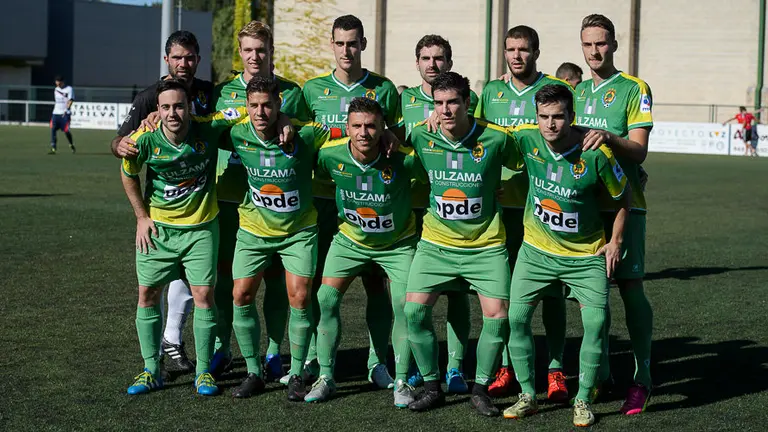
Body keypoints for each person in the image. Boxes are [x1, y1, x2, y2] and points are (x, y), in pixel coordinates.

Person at [502, 84, 629, 427]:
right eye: (544, 117)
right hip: (536, 253)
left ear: (572, 117)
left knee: (597, 322)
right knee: (515, 319)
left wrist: (615, 241)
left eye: (558, 116)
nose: (550, 124)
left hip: (585, 255)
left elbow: (622, 198)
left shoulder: (596, 153)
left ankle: (584, 399)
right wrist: (436, 119)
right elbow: (480, 134)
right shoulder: (527, 140)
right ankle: (528, 395)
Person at [404, 72, 520, 417]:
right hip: (436, 244)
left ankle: (480, 389)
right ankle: (431, 386)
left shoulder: (496, 139)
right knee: (413, 312)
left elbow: (529, 160)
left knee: (498, 318)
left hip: (486, 245)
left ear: (468, 102)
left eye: (453, 102)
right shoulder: (422, 136)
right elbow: (390, 148)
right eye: (439, 103)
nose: (445, 110)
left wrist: (508, 188)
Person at [120, 79, 245, 396]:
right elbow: (128, 172)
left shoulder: (208, 127)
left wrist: (280, 117)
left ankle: (203, 372)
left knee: (204, 296)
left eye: (178, 106)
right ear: (157, 110)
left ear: (189, 106)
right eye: (165, 107)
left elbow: (247, 111)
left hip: (201, 229)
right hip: (158, 231)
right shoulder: (145, 138)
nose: (172, 113)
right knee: (147, 294)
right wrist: (141, 217)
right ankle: (151, 369)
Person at [301, 14, 403, 388]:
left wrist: (391, 132)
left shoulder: (385, 89)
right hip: (322, 202)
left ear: (363, 44)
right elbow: (296, 140)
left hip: (372, 201)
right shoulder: (311, 90)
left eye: (353, 42)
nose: (346, 50)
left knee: (377, 284)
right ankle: (314, 355)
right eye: (340, 43)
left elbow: (396, 138)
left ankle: (378, 362)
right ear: (332, 45)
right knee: (318, 285)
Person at [208, 20, 311, 383]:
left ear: (272, 51)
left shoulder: (292, 93)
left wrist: (287, 119)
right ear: (240, 52)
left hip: (279, 202)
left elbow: (306, 131)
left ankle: (273, 350)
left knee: (278, 280)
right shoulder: (224, 92)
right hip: (230, 197)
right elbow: (211, 130)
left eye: (261, 50)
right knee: (228, 281)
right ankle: (223, 346)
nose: (255, 57)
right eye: (248, 50)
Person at [306, 97, 426, 406]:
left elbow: (439, 172)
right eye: (357, 125)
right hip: (350, 241)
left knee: (404, 305)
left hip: (397, 244)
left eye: (372, 125)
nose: (364, 132)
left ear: (383, 128)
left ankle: (400, 380)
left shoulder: (404, 158)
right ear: (346, 128)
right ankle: (326, 376)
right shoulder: (329, 155)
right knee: (326, 297)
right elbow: (296, 155)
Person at [476, 25, 573, 400]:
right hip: (497, 210)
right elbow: (477, 135)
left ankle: (555, 370)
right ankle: (505, 367)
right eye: (511, 49)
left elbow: (575, 132)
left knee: (551, 293)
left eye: (524, 49)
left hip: (541, 208)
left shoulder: (553, 91)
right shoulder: (491, 91)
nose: (517, 56)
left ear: (536, 52)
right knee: (502, 294)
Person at [111, 30, 214, 376]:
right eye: (177, 57)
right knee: (159, 286)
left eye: (190, 57)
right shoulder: (147, 97)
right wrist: (123, 145)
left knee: (207, 284)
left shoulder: (209, 93)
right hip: (164, 215)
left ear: (198, 60)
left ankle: (204, 351)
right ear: (166, 59)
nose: (183, 63)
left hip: (207, 204)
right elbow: (121, 143)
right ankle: (163, 349)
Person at [225, 76, 331, 400]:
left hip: (298, 231)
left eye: (268, 105)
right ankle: (254, 372)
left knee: (299, 296)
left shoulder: (306, 133)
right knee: (241, 294)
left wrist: (289, 122)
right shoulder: (236, 133)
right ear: (246, 106)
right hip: (254, 230)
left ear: (278, 105)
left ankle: (297, 373)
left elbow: (338, 134)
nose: (260, 112)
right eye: (254, 105)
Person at [574, 13, 654, 415]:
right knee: (592, 298)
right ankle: (601, 374)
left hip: (627, 206)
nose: (595, 50)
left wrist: (609, 137)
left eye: (602, 42)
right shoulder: (574, 92)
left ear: (614, 44)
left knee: (630, 289)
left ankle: (643, 379)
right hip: (586, 209)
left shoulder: (633, 88)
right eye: (588, 44)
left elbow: (639, 150)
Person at [399, 34, 479, 394]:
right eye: (426, 58)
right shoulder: (403, 98)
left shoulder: (467, 98)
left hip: (454, 210)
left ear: (450, 61)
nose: (433, 64)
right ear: (416, 62)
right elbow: (395, 141)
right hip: (409, 206)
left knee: (457, 292)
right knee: (414, 293)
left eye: (440, 58)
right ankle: (417, 363)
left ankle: (456, 367)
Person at [49, 75, 75, 154]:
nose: (58, 83)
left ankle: (71, 144)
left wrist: (66, 110)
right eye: (56, 81)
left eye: (59, 81)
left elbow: (70, 100)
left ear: (62, 82)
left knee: (66, 131)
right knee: (53, 129)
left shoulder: (69, 89)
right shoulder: (56, 89)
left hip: (65, 114)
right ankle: (53, 148)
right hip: (56, 113)